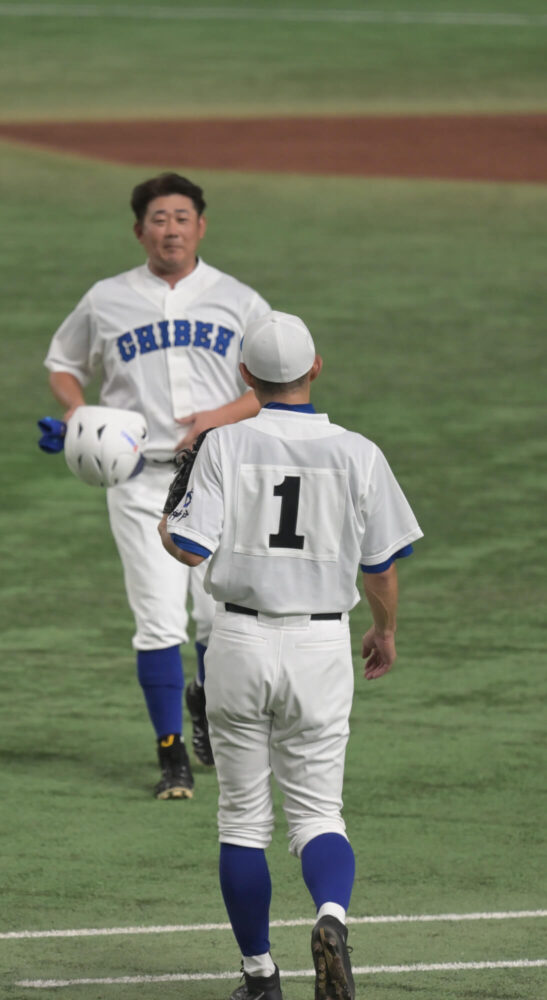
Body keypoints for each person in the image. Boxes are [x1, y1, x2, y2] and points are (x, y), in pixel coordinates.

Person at [158, 310, 423, 1000]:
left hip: (238, 643)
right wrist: (384, 631)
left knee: (243, 818)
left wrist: (167, 514)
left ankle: (259, 976)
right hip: (320, 642)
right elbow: (382, 566)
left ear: (244, 376)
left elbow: (188, 547)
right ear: (315, 369)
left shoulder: (223, 445)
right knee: (317, 817)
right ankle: (330, 918)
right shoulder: (357, 452)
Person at [44, 172, 270, 799]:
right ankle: (171, 754)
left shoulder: (239, 299)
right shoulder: (107, 297)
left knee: (220, 618)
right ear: (138, 229)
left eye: (181, 216)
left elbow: (281, 377)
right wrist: (75, 415)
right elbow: (63, 362)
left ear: (201, 225)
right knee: (158, 622)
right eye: (158, 218)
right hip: (140, 482)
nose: (170, 228)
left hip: (220, 477)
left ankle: (209, 713)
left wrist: (216, 418)